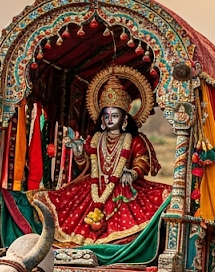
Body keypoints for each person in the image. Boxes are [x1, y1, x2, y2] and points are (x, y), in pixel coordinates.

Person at [35, 67, 168, 246]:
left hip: (123, 187)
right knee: (54, 202)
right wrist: (80, 155)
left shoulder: (134, 140)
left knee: (167, 197)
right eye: (106, 116)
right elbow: (86, 168)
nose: (110, 120)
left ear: (125, 119)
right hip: (93, 188)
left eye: (115, 115)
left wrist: (133, 173)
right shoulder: (95, 140)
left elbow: (142, 161)